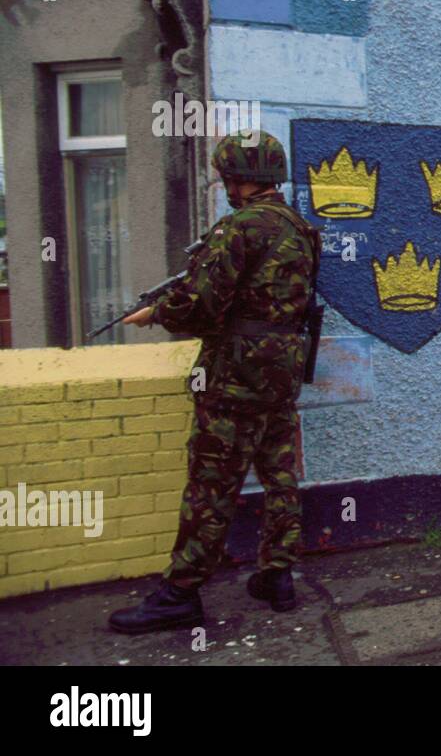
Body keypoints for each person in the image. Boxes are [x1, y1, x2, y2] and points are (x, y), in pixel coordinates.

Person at [109, 130, 321, 634]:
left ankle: (180, 593)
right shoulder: (300, 229)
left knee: (211, 482)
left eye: (228, 176)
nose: (224, 184)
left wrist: (157, 312)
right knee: (279, 471)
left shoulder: (239, 228)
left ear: (242, 178)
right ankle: (277, 575)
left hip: (235, 376)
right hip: (282, 370)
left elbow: (203, 308)